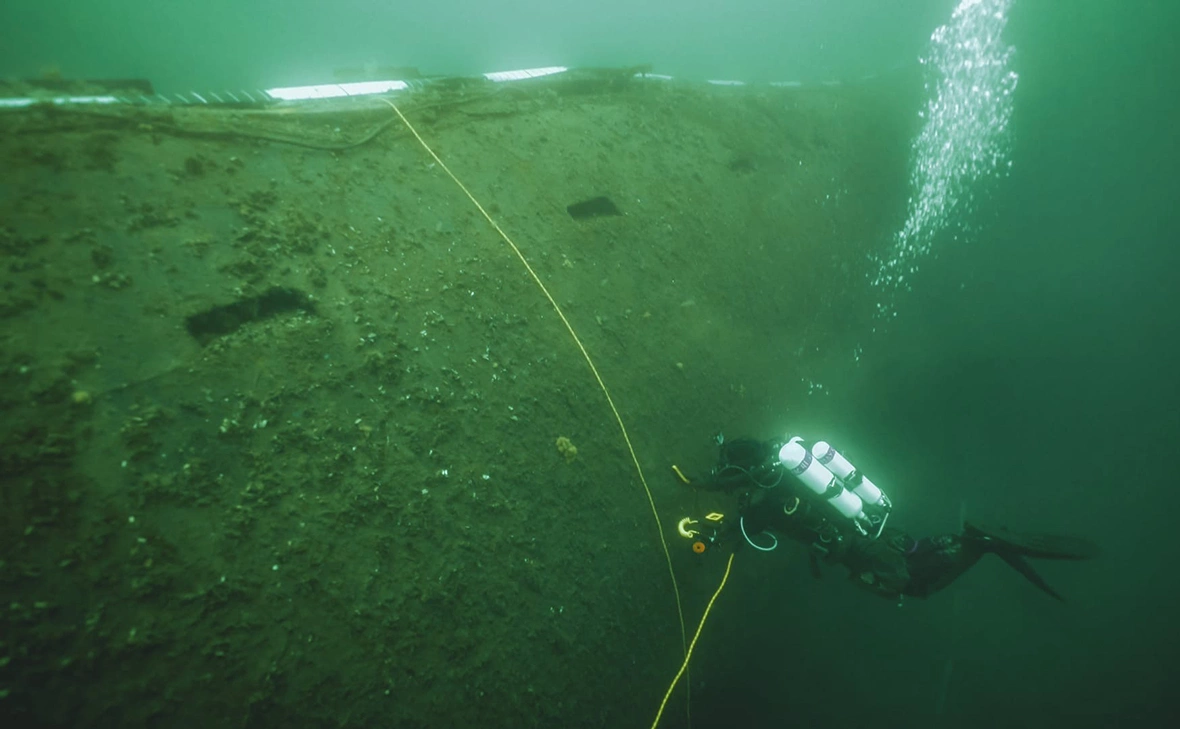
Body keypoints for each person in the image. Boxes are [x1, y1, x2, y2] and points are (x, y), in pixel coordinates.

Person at [683, 435, 1098, 601]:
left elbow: (742, 528)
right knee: (915, 554)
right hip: (880, 530)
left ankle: (976, 542)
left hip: (865, 548)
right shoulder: (780, 488)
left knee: (917, 586)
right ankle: (971, 541)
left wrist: (708, 536)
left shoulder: (766, 502)